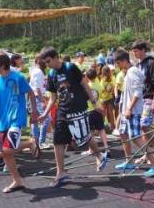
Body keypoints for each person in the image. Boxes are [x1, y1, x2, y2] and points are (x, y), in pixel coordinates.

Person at [38, 47, 108, 187]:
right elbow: (53, 97)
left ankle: (99, 156)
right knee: (58, 142)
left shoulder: (71, 68)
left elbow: (85, 85)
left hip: (78, 110)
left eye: (48, 61)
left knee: (85, 137)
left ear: (56, 57)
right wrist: (45, 114)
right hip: (62, 112)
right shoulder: (51, 74)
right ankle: (61, 172)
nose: (47, 65)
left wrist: (94, 103)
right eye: (45, 63)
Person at [0, 52, 40, 193]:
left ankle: (30, 143)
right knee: (5, 153)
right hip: (2, 122)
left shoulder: (18, 77)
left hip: (17, 119)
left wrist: (34, 111)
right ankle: (17, 181)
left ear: (2, 65)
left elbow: (31, 93)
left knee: (7, 149)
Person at [114, 49, 154, 177]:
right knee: (123, 133)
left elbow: (137, 93)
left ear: (125, 61)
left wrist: (129, 109)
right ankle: (129, 161)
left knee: (135, 137)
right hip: (126, 110)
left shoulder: (132, 72)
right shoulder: (128, 72)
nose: (118, 66)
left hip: (132, 111)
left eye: (119, 63)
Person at [131, 40, 154, 164]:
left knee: (144, 125)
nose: (134, 53)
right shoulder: (138, 65)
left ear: (143, 50)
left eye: (136, 51)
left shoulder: (151, 64)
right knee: (144, 128)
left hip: (151, 98)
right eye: (133, 51)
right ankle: (150, 154)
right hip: (143, 99)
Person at [30, 55, 51, 149]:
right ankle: (41, 141)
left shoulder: (34, 70)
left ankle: (35, 140)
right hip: (37, 97)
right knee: (46, 119)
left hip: (33, 97)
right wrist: (43, 100)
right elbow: (38, 89)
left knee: (34, 120)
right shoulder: (39, 72)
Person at [100, 65, 115, 131]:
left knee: (103, 113)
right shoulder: (111, 78)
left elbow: (102, 90)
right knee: (110, 113)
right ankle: (112, 127)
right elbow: (113, 87)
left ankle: (100, 127)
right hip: (110, 98)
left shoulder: (102, 80)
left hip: (103, 99)